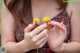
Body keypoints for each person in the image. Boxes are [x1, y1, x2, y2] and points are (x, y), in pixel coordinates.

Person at [1, 0, 80, 53]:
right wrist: (24, 46)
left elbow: (78, 45)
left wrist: (61, 47)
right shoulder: (10, 3)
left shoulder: (73, 3)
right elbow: (3, 49)